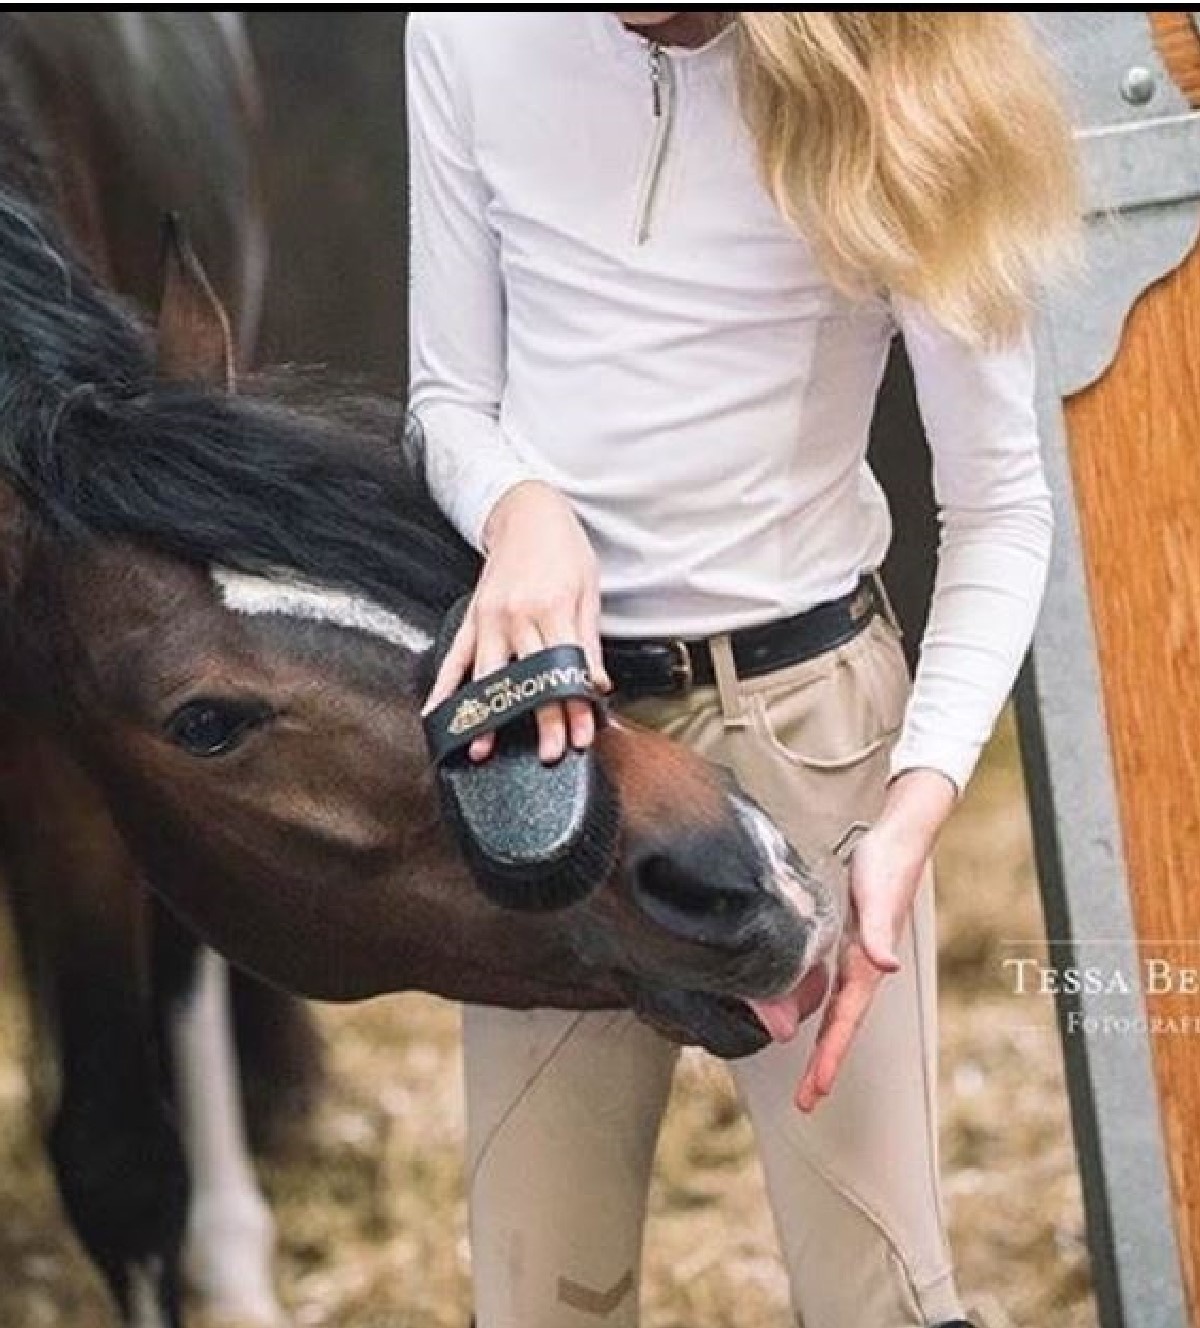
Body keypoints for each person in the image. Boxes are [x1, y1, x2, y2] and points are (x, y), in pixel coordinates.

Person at [407, 11, 1077, 1327]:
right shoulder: (463, 32)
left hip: (810, 732)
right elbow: (447, 400)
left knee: (877, 1287)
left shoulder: (902, 69)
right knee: (539, 1292)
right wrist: (518, 507)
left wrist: (914, 809)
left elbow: (1003, 507)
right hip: (563, 738)